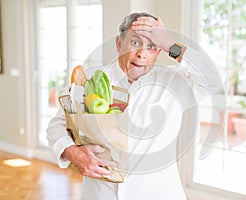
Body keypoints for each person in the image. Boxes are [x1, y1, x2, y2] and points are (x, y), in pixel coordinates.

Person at [47, 12, 223, 200]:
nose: (142, 54)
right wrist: (72, 152)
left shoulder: (174, 82)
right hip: (100, 193)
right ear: (119, 44)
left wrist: (170, 45)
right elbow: (57, 125)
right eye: (135, 42)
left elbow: (214, 79)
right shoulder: (89, 79)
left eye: (152, 46)